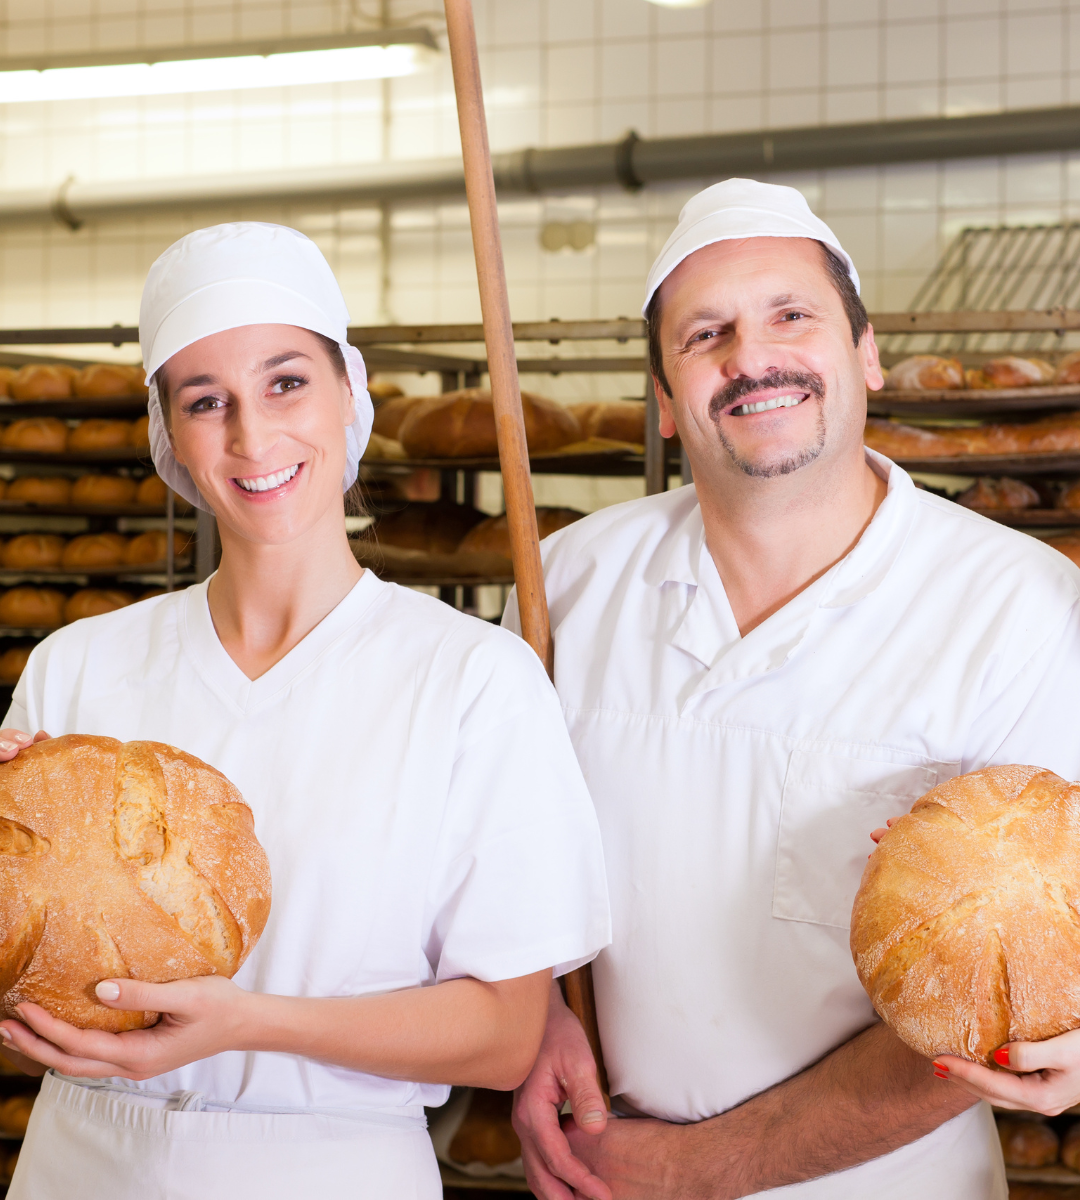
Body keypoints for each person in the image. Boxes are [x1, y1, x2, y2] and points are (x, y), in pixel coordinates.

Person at [0, 221, 610, 1200]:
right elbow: (29, 1008)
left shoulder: (471, 680)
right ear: (171, 437)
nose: (252, 436)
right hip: (83, 1162)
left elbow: (503, 1038)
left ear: (349, 393)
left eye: (286, 382)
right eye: (207, 401)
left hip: (329, 1166)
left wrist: (248, 1022)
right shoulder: (80, 667)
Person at [507, 178, 1080, 1199]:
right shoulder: (565, 586)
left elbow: (1009, 997)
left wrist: (697, 1170)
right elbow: (511, 868)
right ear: (665, 399)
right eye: (705, 335)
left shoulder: (1017, 607)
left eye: (791, 316)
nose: (751, 358)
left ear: (865, 353)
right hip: (606, 1168)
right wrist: (536, 1017)